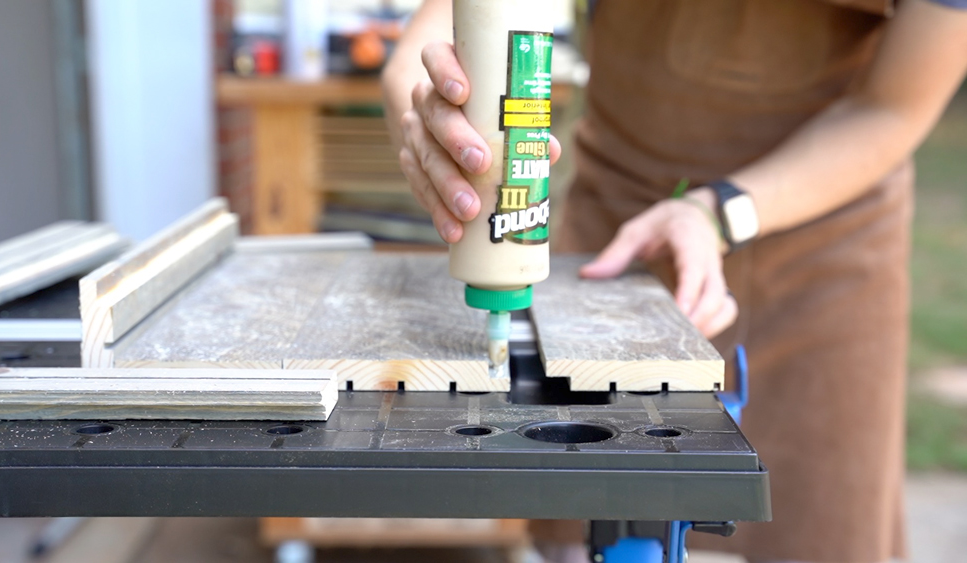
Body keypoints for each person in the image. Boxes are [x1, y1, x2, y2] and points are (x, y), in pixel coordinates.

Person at [382, 1, 967, 561]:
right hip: (618, 225)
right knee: (586, 521)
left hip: (826, 236)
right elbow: (435, 39)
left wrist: (716, 212)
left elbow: (892, 106)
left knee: (814, 529)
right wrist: (425, 125)